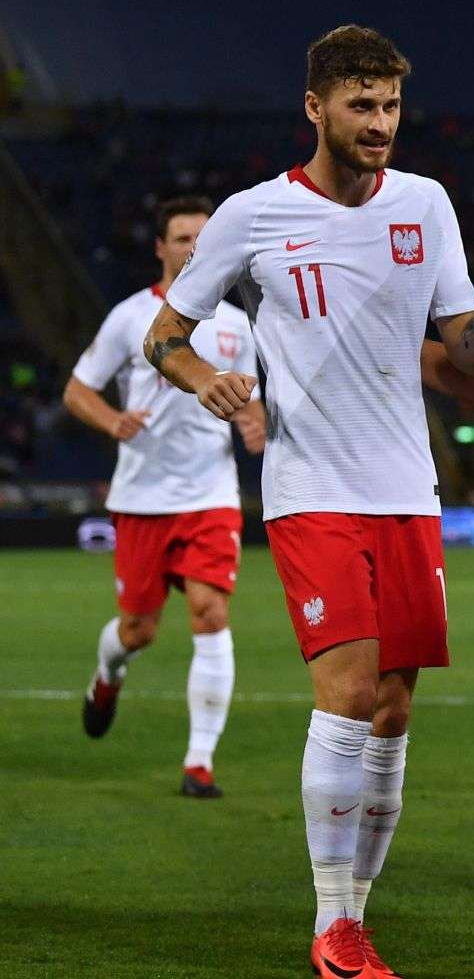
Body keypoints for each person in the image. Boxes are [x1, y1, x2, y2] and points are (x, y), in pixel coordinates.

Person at [144, 24, 474, 979]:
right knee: (351, 694)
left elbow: (460, 350)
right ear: (316, 108)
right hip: (311, 487)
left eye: (392, 105)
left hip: (406, 487)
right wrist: (205, 380)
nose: (380, 123)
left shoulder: (427, 204)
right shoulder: (251, 216)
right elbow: (165, 335)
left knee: (396, 710)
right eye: (362, 105)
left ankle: (356, 917)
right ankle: (331, 927)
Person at [66, 194, 264, 798]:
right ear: (160, 248)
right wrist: (110, 421)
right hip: (142, 498)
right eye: (181, 239)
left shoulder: (237, 324)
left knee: (210, 612)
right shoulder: (130, 318)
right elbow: (79, 390)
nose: (192, 249)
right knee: (139, 630)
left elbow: (251, 396)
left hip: (210, 494)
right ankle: (108, 673)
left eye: (202, 239)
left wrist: (253, 419)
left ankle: (198, 763)